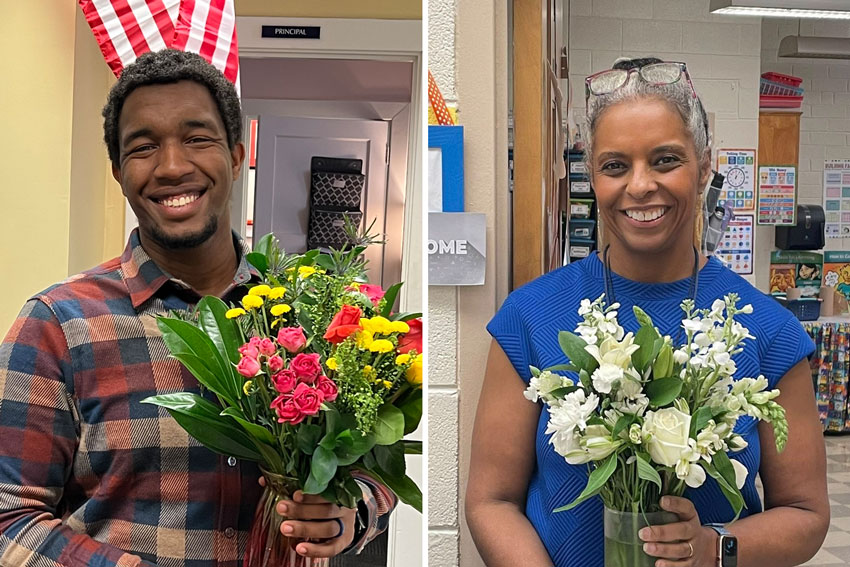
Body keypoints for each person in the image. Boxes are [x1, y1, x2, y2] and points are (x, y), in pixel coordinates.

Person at [0, 49, 395, 567]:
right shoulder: (57, 325)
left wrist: (353, 513)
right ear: (119, 171)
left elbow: (372, 467)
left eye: (196, 138)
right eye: (143, 147)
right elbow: (10, 519)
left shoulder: (311, 316)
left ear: (235, 155)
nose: (172, 166)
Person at [466, 57, 829, 567]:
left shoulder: (767, 330)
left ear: (705, 166)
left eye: (665, 160)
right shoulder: (531, 316)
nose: (639, 186)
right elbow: (491, 502)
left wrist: (715, 548)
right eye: (615, 165)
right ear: (592, 175)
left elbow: (806, 512)